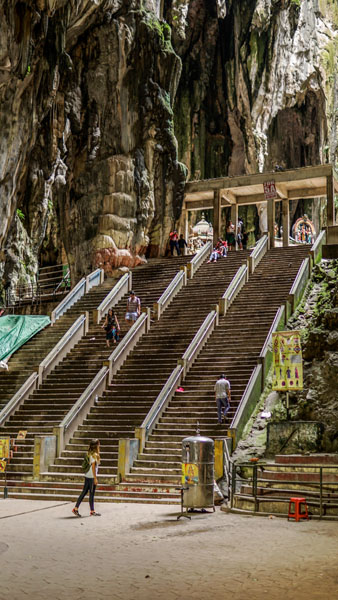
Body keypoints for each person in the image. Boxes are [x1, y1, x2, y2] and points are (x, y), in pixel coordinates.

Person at [72, 439, 101, 517]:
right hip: (91, 477)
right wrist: (95, 478)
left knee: (84, 492)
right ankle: (92, 511)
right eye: (98, 444)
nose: (99, 446)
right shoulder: (94, 455)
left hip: (87, 475)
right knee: (91, 494)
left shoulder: (89, 454)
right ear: (96, 446)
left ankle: (75, 508)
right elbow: (93, 467)